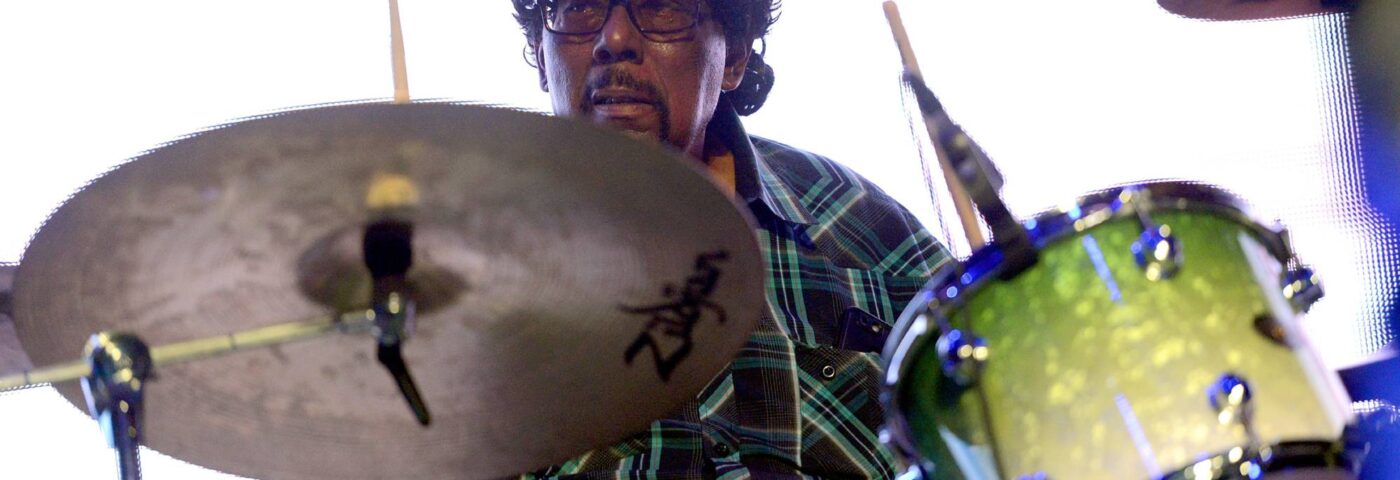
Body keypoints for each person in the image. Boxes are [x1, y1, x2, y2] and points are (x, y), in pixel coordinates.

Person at [509, 0, 950, 477]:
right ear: (542, 53)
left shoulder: (860, 224)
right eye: (579, 6)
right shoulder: (468, 279)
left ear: (735, 57)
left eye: (660, 8)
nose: (614, 40)